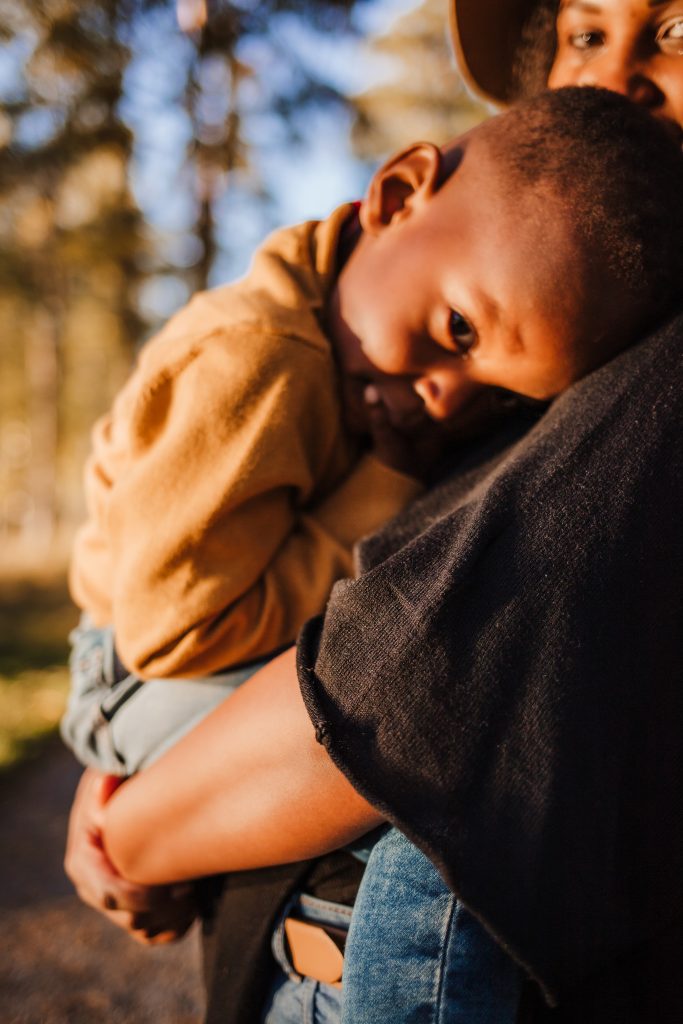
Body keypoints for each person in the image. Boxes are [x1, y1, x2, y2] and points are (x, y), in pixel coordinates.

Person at [64, 1, 683, 1021]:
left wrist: (137, 818)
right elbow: (179, 625)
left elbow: (404, 682)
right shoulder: (274, 355)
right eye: (579, 34)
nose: (607, 80)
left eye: (675, 32)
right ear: (397, 190)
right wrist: (126, 778)